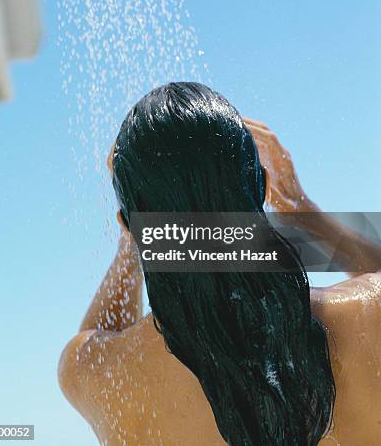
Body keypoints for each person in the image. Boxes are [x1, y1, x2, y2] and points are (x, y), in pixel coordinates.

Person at [58, 82, 381, 445]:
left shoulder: (102, 376)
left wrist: (135, 243)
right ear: (260, 186)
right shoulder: (366, 317)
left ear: (129, 223)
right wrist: (300, 209)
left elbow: (100, 337)